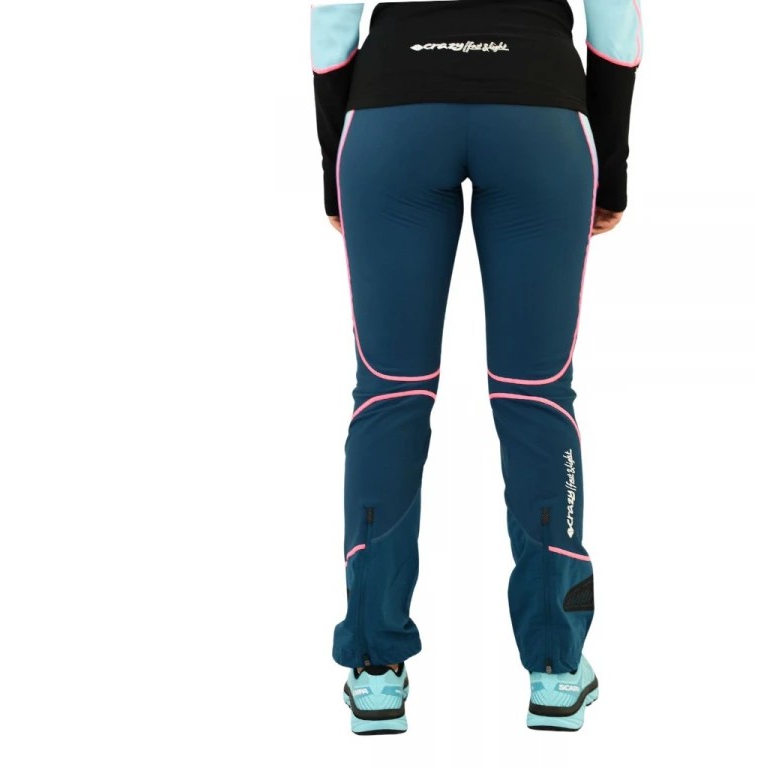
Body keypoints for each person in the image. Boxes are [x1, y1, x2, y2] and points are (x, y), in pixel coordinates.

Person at [309, 0, 642, 734]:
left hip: (394, 112)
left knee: (389, 394)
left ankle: (374, 670)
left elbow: (332, 18)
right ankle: (556, 669)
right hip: (537, 109)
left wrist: (334, 166)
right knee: (536, 395)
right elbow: (615, 25)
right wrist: (612, 169)